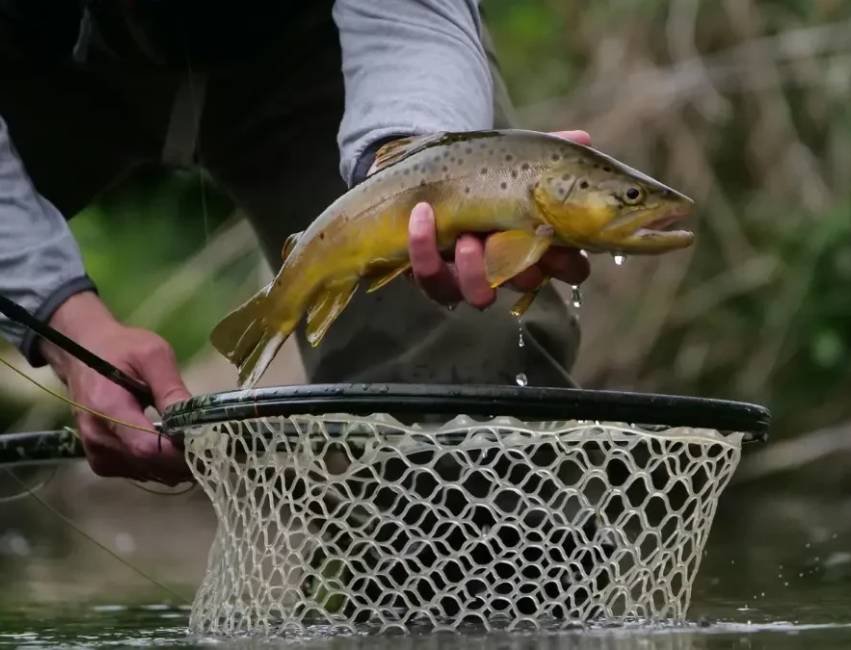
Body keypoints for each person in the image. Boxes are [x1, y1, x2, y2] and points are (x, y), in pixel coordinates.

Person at [0, 0, 590, 486]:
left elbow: (405, 18)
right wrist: (66, 320)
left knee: (468, 362)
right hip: (34, 60)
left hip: (317, 41)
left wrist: (425, 171)